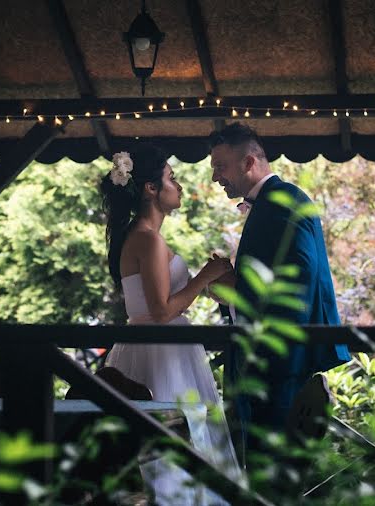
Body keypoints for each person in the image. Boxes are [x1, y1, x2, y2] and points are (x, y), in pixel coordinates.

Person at [99, 144, 242, 504]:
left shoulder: (143, 236)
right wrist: (204, 276)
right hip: (161, 353)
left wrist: (209, 285)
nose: (178, 187)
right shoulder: (147, 239)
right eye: (172, 179)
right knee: (173, 445)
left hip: (155, 348)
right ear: (150, 188)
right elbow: (162, 312)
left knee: (177, 444)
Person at [208, 123, 351, 452]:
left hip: (280, 362)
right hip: (273, 359)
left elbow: (297, 283)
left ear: (249, 163)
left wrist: (231, 287)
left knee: (271, 466)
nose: (215, 177)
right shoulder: (276, 201)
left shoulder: (282, 202)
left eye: (220, 166)